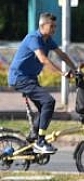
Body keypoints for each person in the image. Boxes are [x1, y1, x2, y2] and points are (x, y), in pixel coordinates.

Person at [8, 12, 77, 154]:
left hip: (30, 79)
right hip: (20, 78)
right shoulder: (34, 38)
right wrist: (62, 73)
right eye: (51, 26)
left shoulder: (48, 40)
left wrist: (75, 69)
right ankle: (40, 141)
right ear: (42, 25)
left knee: (45, 108)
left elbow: (61, 54)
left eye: (55, 27)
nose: (54, 30)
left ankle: (31, 139)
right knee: (49, 102)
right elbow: (43, 59)